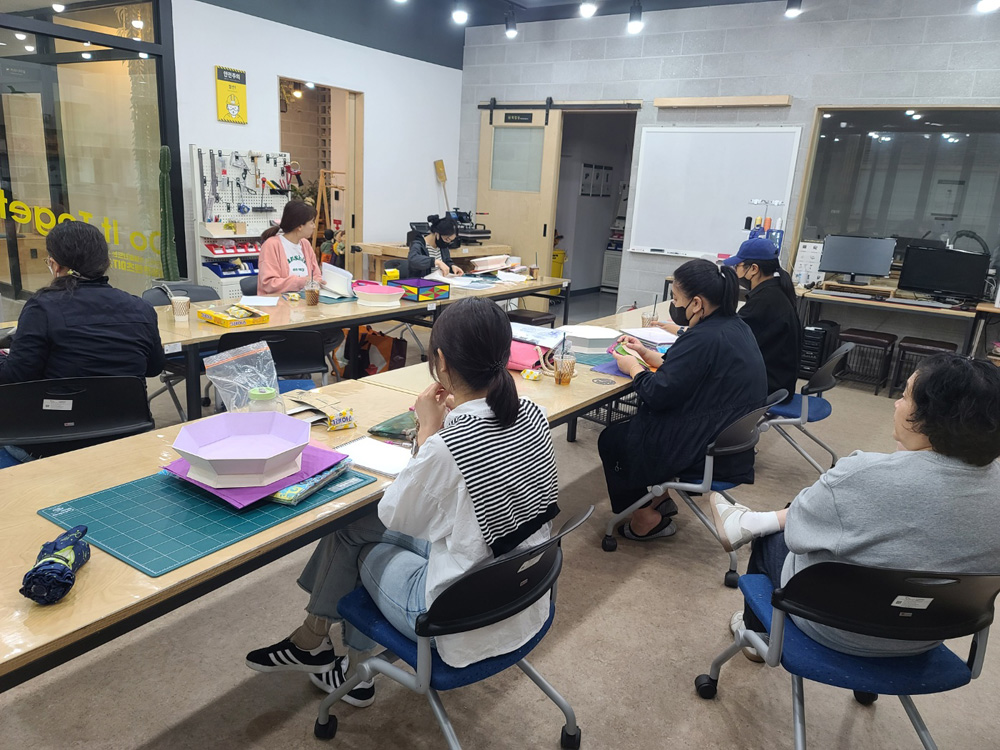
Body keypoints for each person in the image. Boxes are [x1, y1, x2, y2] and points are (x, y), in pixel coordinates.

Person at [245, 297, 559, 704]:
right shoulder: (532, 413)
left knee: (360, 545)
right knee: (353, 525)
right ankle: (313, 639)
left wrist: (428, 432)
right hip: (522, 591)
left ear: (440, 362)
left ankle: (355, 673)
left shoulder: (449, 446)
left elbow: (394, 515)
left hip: (459, 617)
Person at [712, 353, 1000, 660]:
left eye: (904, 396)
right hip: (929, 634)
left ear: (929, 419)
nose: (896, 404)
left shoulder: (862, 473)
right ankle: (752, 522)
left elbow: (796, 540)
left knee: (777, 536)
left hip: (832, 626)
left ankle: (757, 635)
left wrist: (903, 462)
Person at [601, 259, 767, 541]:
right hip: (728, 443)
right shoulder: (734, 327)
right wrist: (646, 354)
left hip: (705, 446)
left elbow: (657, 394)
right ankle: (658, 499)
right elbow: (688, 369)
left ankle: (645, 519)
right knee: (634, 429)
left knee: (613, 440)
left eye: (676, 298)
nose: (675, 304)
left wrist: (633, 367)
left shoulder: (703, 337)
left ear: (697, 303)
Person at [0, 221, 164, 460]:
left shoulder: (42, 308)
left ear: (55, 265)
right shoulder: (141, 308)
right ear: (105, 263)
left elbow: (15, 377)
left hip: (51, 442)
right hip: (126, 434)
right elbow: (154, 368)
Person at [658, 238, 801, 403]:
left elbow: (725, 343)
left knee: (686, 383)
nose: (735, 272)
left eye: (738, 266)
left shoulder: (763, 303)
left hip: (766, 386)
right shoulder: (775, 292)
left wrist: (686, 334)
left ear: (754, 269)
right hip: (779, 381)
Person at [258, 200, 323, 294]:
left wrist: (318, 282)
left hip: (304, 299)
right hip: (278, 301)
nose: (314, 227)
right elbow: (269, 284)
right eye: (312, 223)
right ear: (300, 226)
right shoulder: (271, 245)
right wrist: (302, 282)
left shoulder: (305, 244)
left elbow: (316, 275)